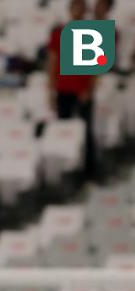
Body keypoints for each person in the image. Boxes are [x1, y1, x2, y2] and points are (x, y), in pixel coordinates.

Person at [47, 0, 98, 178]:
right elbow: (52, 62)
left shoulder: (91, 32)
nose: (77, 11)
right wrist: (50, 92)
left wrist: (89, 89)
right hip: (63, 89)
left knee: (86, 132)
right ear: (69, 10)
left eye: (81, 8)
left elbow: (95, 67)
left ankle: (88, 172)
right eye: (74, 7)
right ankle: (66, 171)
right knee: (64, 132)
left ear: (85, 11)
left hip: (82, 90)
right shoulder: (59, 33)